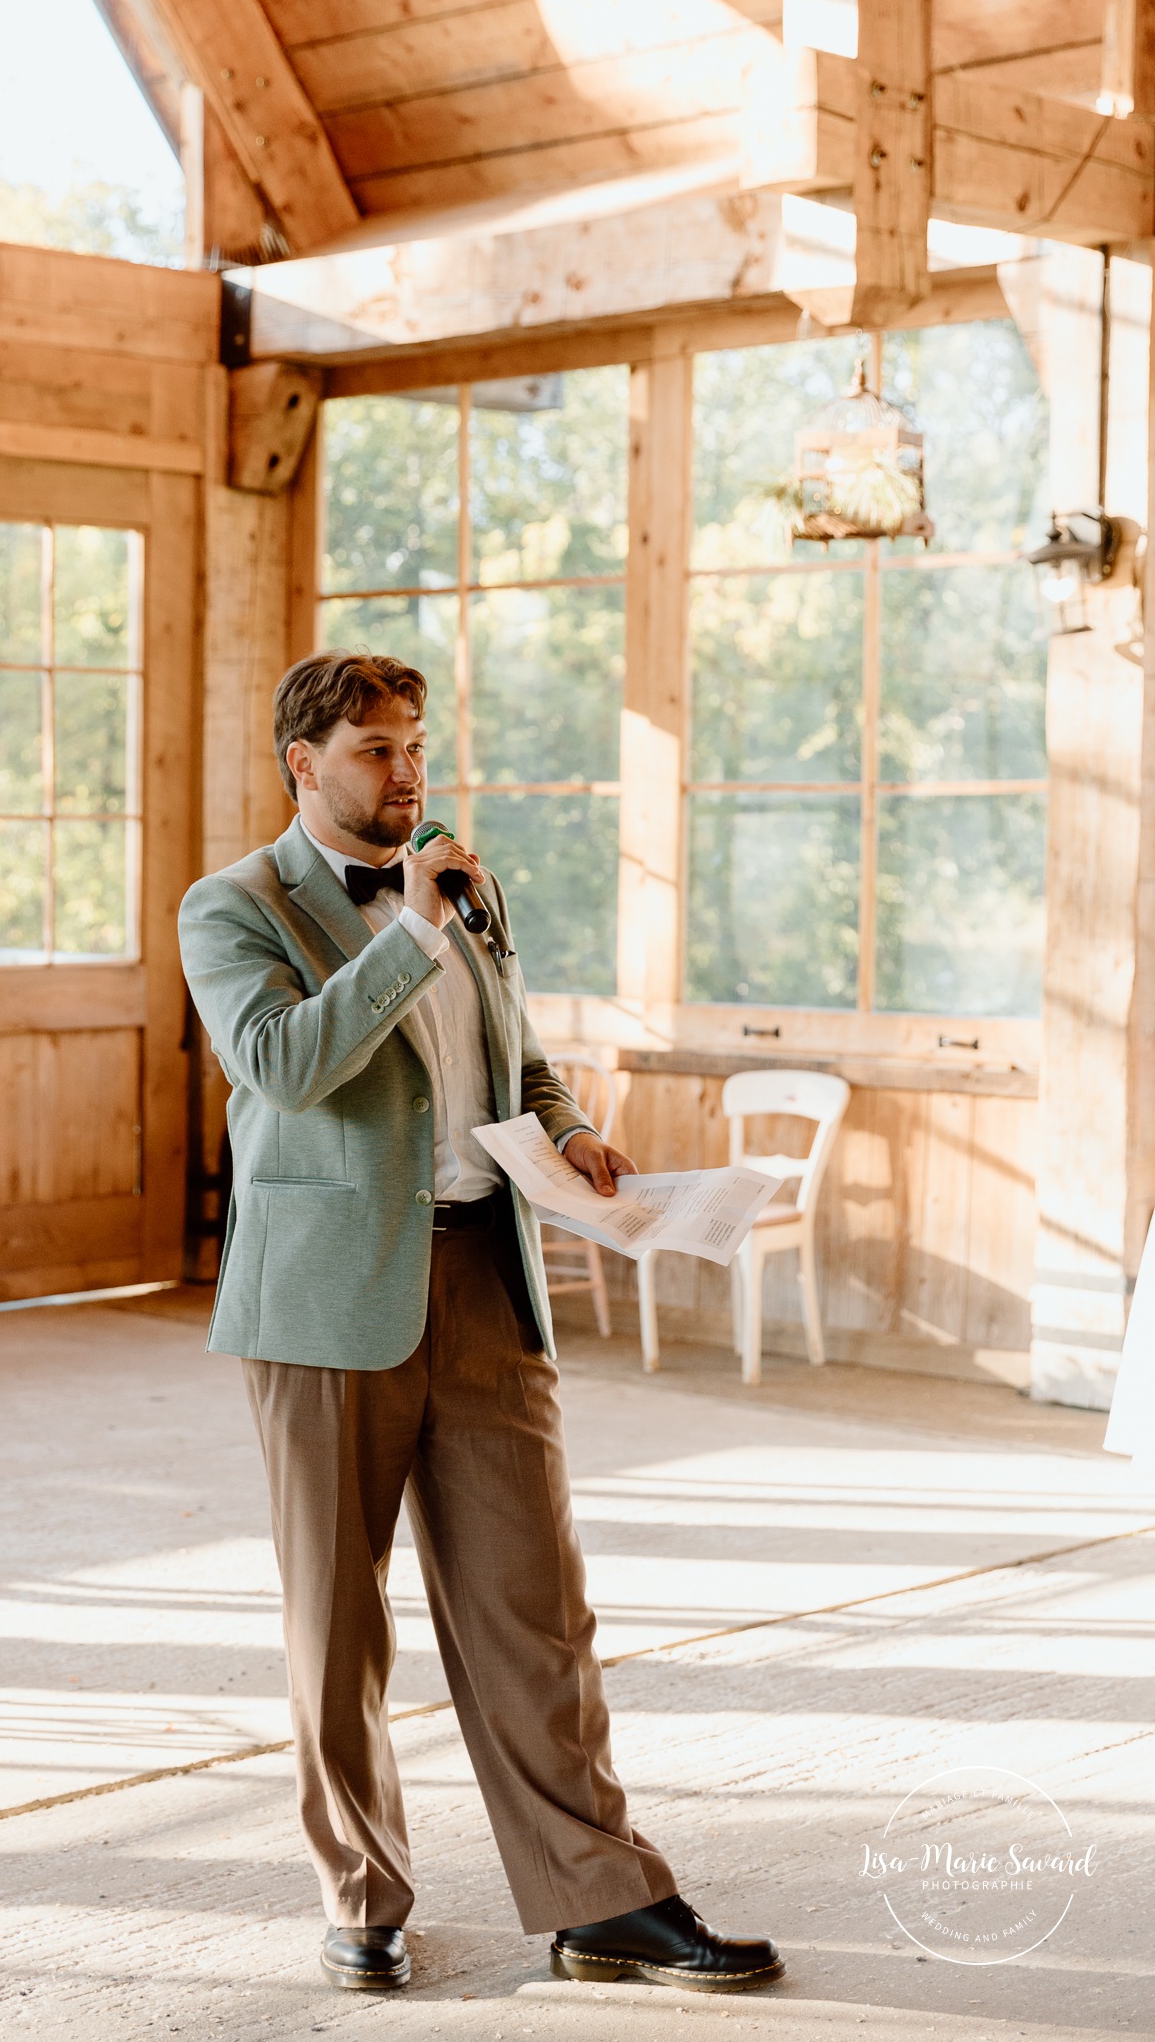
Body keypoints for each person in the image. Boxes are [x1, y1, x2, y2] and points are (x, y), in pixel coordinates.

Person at [178, 650, 784, 1997]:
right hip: (324, 1303)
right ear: (303, 765)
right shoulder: (233, 908)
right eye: (375, 753)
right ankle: (362, 1892)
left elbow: (509, 1051)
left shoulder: (467, 888)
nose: (407, 775)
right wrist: (409, 928)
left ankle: (599, 1898)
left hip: (483, 1276)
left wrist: (570, 1129)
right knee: (337, 1625)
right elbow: (283, 1064)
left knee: (536, 1609)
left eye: (414, 745)